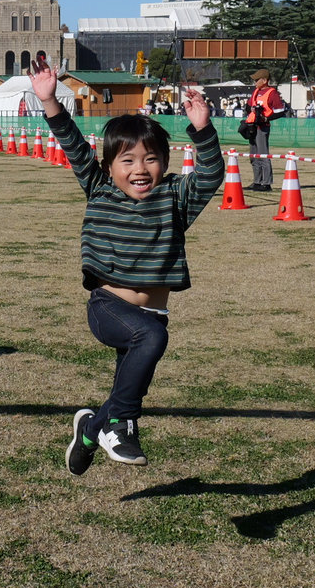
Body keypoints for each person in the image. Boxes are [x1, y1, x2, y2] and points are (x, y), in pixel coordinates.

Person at [29, 58, 223, 473]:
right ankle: (120, 425)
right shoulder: (99, 187)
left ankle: (90, 431)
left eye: (151, 159)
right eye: (128, 160)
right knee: (149, 344)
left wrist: (203, 128)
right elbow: (72, 143)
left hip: (153, 314)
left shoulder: (175, 196)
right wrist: (49, 100)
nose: (140, 169)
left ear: (165, 162)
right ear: (109, 167)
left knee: (128, 387)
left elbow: (210, 175)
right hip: (109, 308)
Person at [244, 70, 283, 190]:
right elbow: (248, 107)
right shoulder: (256, 92)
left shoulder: (272, 93)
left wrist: (266, 118)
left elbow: (280, 111)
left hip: (263, 127)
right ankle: (257, 181)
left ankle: (266, 183)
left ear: (265, 80)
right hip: (252, 126)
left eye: (257, 80)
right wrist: (251, 109)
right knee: (253, 156)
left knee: (263, 155)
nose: (254, 82)